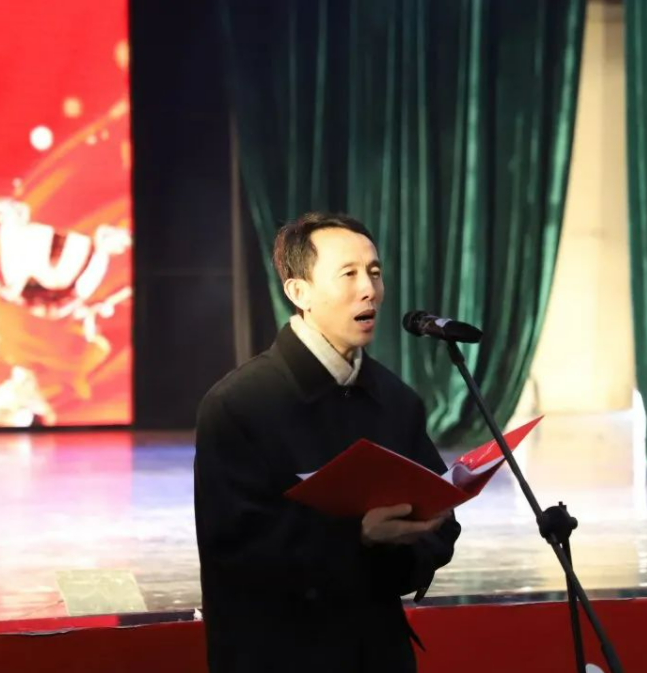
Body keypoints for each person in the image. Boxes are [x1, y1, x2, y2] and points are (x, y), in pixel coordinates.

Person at [194, 212, 461, 672]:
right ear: (299, 292)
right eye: (349, 274)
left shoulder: (397, 401)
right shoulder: (238, 404)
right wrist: (357, 535)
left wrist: (413, 539)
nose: (369, 290)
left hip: (377, 652)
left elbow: (441, 522)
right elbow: (235, 547)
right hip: (277, 655)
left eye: (374, 272)